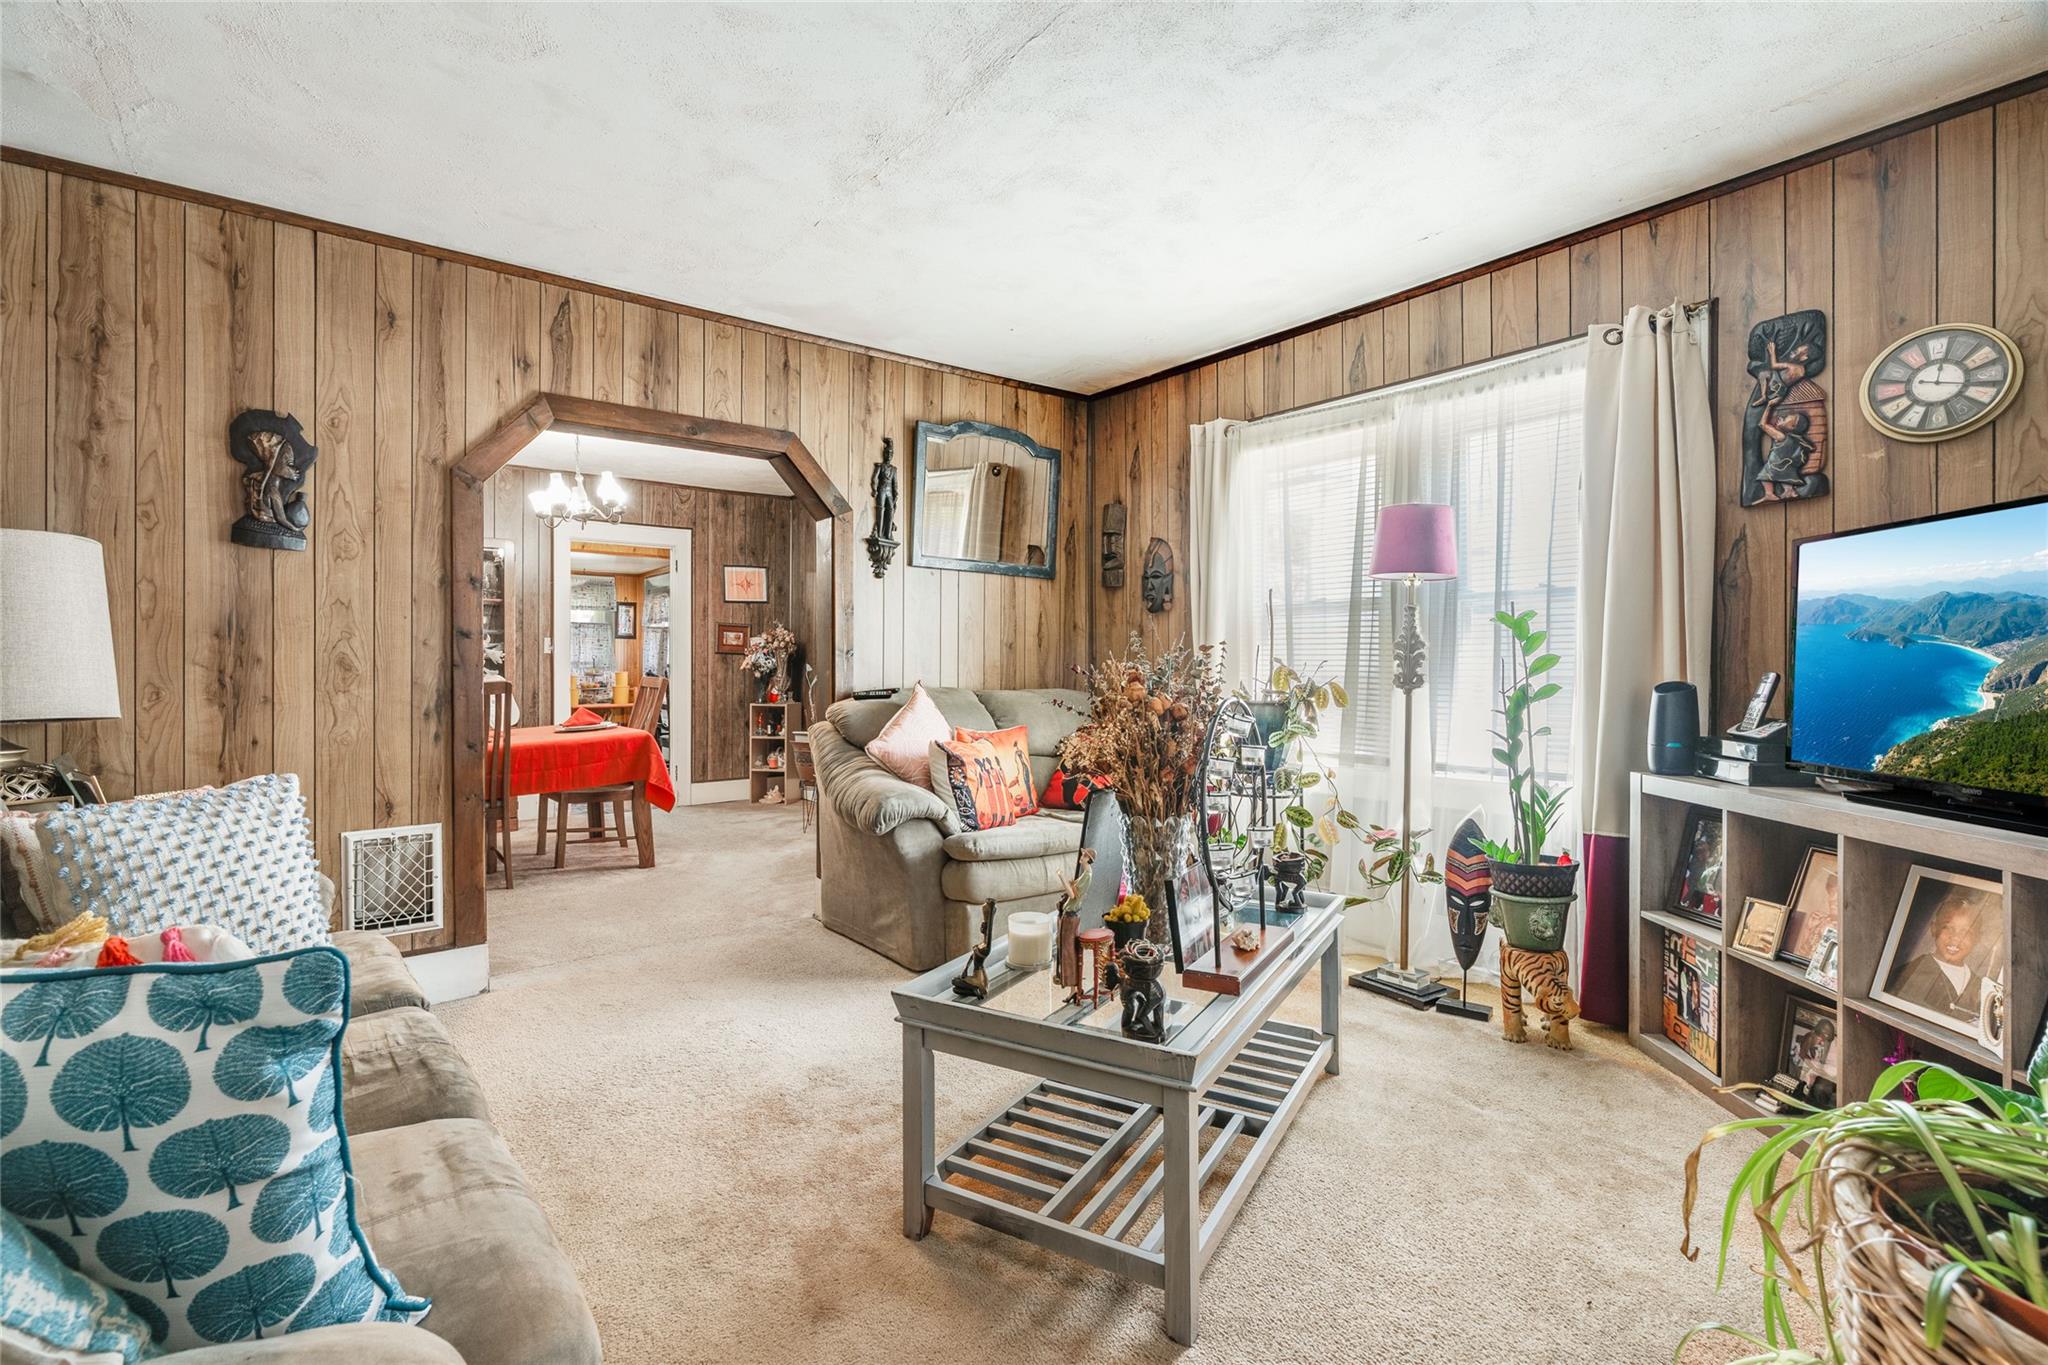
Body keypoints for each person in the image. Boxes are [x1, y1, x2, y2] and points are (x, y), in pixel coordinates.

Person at [1890, 895, 1985, 1018]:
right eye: (1948, 928)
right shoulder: (1907, 975)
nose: (1955, 937)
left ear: (1977, 938)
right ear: (1934, 928)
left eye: (1966, 932)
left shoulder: (1981, 986)